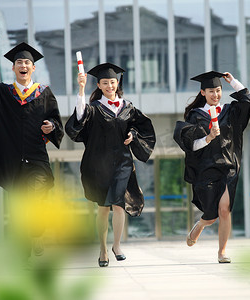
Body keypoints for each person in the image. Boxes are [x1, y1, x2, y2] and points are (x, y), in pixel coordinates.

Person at [0, 41, 64, 259]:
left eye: (27, 62)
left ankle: (37, 232)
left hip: (36, 158)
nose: (23, 65)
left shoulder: (44, 93)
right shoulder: (2, 94)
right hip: (12, 160)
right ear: (14, 68)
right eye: (19, 62)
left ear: (33, 68)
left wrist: (51, 126)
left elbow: (55, 118)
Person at [65, 63, 156, 267]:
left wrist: (133, 135)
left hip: (123, 162)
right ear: (98, 85)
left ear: (117, 83)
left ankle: (116, 245)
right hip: (99, 164)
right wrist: (81, 89)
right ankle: (103, 249)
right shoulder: (94, 108)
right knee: (104, 207)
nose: (109, 86)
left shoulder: (128, 107)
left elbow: (139, 126)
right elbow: (78, 117)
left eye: (112, 82)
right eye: (105, 83)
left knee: (118, 203)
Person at [173, 71, 250, 263]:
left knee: (225, 209)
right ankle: (201, 225)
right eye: (211, 91)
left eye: (218, 90)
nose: (215, 95)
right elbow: (191, 146)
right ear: (203, 92)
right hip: (206, 169)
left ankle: (222, 252)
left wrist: (233, 82)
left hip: (229, 167)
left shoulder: (229, 111)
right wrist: (208, 137)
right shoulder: (196, 116)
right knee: (211, 215)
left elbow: (249, 102)